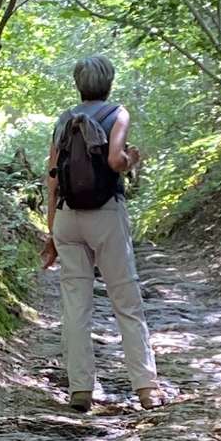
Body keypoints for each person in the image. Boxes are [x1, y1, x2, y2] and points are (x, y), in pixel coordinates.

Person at [42, 52, 164, 412]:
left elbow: (52, 178)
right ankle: (146, 388)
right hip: (106, 215)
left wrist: (51, 231)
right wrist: (131, 160)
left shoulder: (64, 119)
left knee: (75, 305)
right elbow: (114, 160)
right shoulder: (117, 114)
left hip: (67, 217)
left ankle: (80, 390)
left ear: (78, 84)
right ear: (109, 83)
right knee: (126, 302)